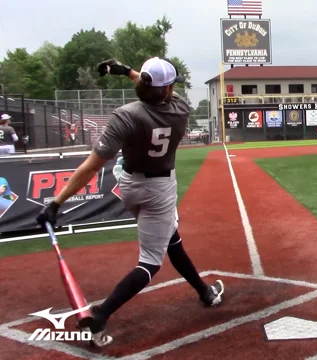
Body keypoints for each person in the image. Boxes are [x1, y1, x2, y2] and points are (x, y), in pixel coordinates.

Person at [35, 57, 224, 348]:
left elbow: (91, 167)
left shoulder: (126, 115)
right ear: (168, 88)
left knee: (171, 237)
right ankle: (100, 314)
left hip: (129, 186)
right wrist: (129, 73)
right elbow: (156, 90)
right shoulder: (181, 109)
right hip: (159, 189)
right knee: (150, 262)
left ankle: (204, 292)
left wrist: (57, 202)